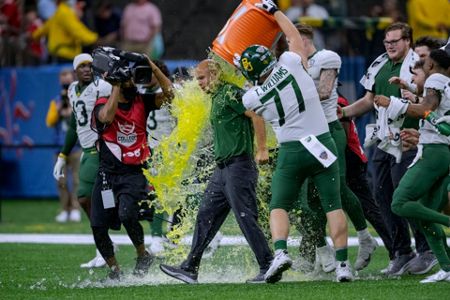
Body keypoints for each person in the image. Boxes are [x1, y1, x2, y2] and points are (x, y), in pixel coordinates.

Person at [239, 0, 352, 282]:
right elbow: (292, 37)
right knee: (333, 205)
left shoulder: (252, 96)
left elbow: (253, 99)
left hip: (291, 150)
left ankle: (280, 252)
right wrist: (274, 10)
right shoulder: (290, 62)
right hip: (322, 142)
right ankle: (342, 266)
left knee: (279, 205)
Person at [160, 59, 275, 284]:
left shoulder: (231, 93)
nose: (199, 83)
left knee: (245, 217)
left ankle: (268, 265)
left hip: (239, 166)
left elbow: (257, 115)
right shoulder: (216, 97)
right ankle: (190, 267)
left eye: (202, 78)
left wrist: (262, 148)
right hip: (222, 169)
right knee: (205, 215)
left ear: (214, 75)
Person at [340, 22, 433, 276]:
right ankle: (401, 252)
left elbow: (427, 103)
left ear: (407, 40)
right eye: (387, 41)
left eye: (395, 41)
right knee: (382, 195)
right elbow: (368, 101)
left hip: (410, 139)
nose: (390, 45)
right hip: (384, 139)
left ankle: (428, 250)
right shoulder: (379, 62)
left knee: (406, 196)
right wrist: (344, 113)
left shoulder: (418, 63)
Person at [295, 23, 378, 272]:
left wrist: (287, 95)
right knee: (304, 198)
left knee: (337, 188)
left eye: (291, 40)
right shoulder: (290, 64)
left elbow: (324, 91)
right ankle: (321, 248)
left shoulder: (326, 57)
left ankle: (364, 238)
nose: (288, 46)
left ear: (303, 40)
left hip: (328, 131)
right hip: (303, 136)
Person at [91, 53, 174, 280]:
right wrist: (116, 85)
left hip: (133, 172)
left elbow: (171, 95)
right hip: (107, 175)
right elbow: (107, 117)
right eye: (127, 79)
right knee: (98, 226)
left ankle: (142, 255)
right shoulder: (102, 103)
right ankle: (114, 270)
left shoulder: (143, 101)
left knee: (128, 214)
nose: (132, 82)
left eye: (131, 78)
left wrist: (153, 68)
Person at [374, 48, 450, 283]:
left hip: (434, 153)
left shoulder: (436, 78)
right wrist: (409, 90)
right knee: (426, 218)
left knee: (399, 202)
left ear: (430, 67)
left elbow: (425, 108)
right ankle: (447, 267)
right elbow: (430, 109)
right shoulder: (446, 82)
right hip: (440, 150)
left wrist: (393, 104)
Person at [53, 53, 112, 268]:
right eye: (82, 66)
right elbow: (73, 125)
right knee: (86, 199)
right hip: (87, 150)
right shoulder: (72, 90)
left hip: (101, 150)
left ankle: (104, 247)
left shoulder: (103, 87)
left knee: (89, 197)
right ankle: (104, 244)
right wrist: (63, 154)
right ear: (75, 70)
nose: (87, 69)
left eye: (90, 65)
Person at [47, 68, 81, 223]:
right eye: (62, 76)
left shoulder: (79, 97)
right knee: (60, 180)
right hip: (59, 147)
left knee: (76, 180)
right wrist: (60, 109)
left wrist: (72, 110)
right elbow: (49, 121)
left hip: (76, 146)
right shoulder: (56, 100)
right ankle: (64, 209)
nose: (65, 79)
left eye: (67, 76)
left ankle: (75, 209)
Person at [32, 0, 97, 62]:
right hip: (66, 56)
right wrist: (96, 39)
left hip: (59, 55)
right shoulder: (65, 12)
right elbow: (79, 33)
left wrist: (34, 36)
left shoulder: (59, 12)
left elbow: (43, 30)